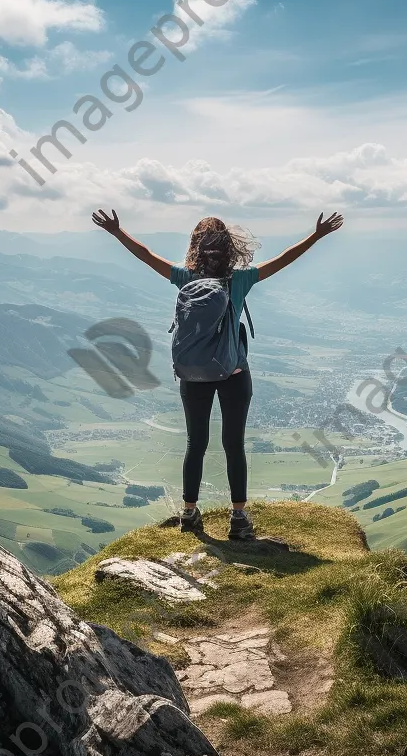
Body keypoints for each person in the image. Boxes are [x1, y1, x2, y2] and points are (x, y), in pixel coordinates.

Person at [91, 209, 344, 539]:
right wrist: (317, 235)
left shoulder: (185, 277)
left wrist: (117, 232)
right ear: (229, 247)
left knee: (195, 444)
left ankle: (189, 513)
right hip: (234, 372)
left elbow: (147, 255)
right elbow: (284, 259)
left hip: (193, 374)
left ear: (195, 246)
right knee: (233, 445)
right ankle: (238, 519)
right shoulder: (240, 279)